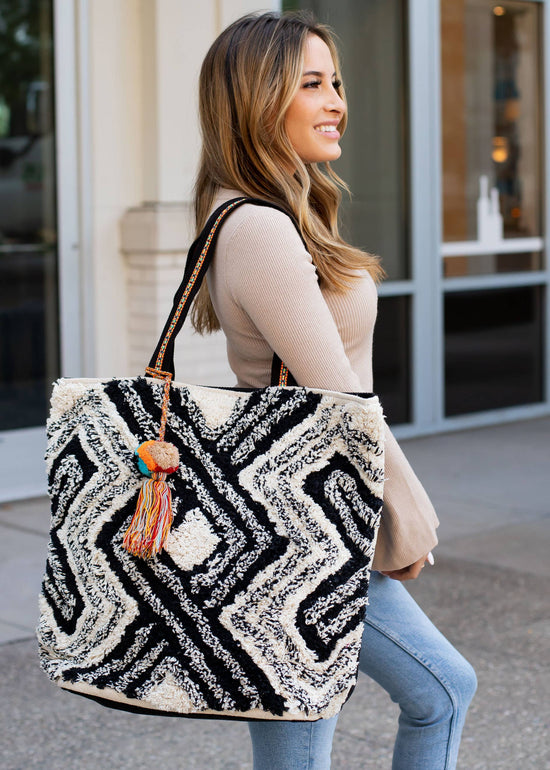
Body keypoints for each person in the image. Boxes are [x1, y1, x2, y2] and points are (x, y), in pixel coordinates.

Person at [191, 11, 477, 770]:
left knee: (301, 732)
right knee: (443, 689)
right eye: (311, 84)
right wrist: (405, 512)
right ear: (257, 99)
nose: (336, 101)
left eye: (337, 82)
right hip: (304, 525)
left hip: (297, 517)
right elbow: (339, 396)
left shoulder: (277, 210)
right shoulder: (257, 226)